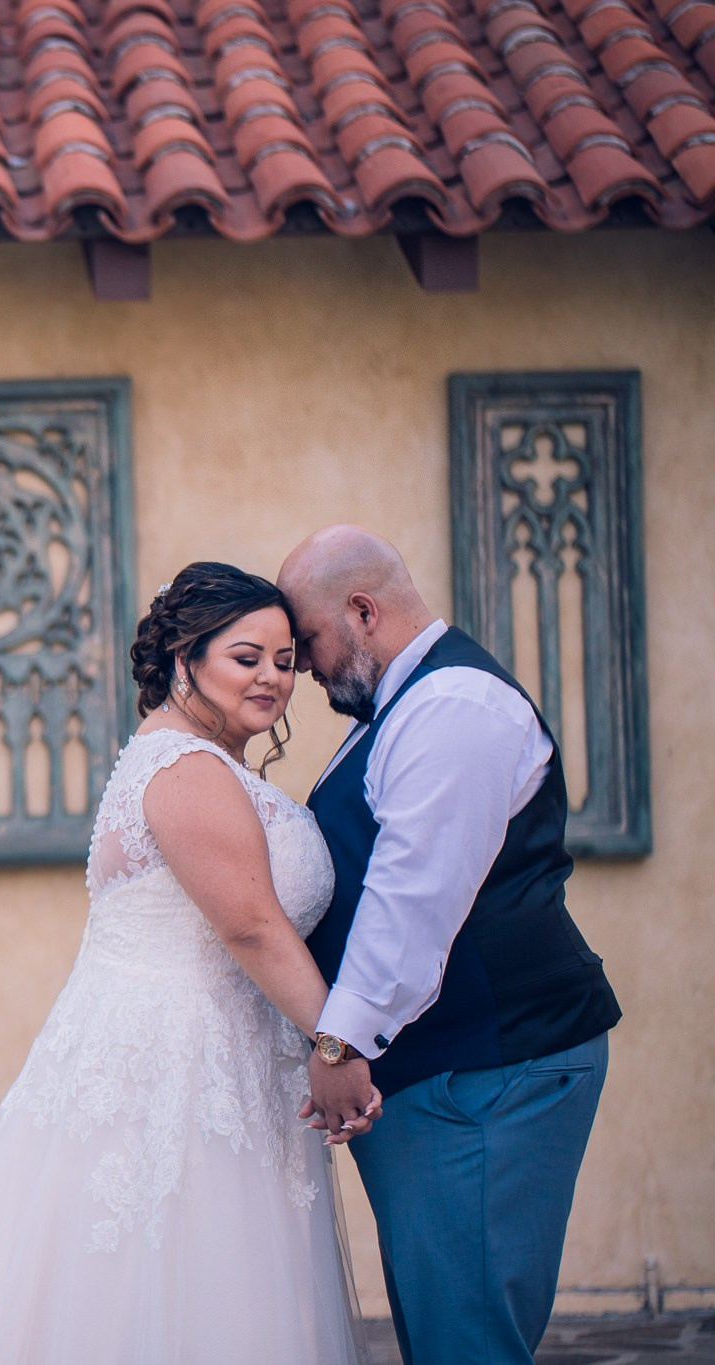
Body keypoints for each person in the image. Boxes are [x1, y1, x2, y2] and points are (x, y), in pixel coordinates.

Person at [0, 563, 367, 1364]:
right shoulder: (186, 769)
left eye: (286, 660)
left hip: (215, 1052)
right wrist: (338, 1044)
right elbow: (251, 925)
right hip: (177, 1062)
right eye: (246, 656)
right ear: (187, 659)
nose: (273, 678)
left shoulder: (187, 757)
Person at [279, 525, 622, 1365]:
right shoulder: (400, 705)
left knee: (464, 1340)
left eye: (309, 643)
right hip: (452, 1068)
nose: (306, 671)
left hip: (490, 1069)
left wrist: (339, 1040)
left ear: (362, 610)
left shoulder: (451, 705)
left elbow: (412, 901)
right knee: (446, 1329)